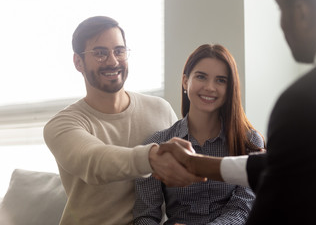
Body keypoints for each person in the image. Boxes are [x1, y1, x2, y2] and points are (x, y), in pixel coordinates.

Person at [156, 0, 316, 224]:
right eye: (201, 76)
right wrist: (197, 164)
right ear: (185, 81)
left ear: (302, 13)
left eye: (279, 9)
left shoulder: (302, 101)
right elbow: (279, 164)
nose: (281, 26)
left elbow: (273, 196)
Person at [43, 16, 204, 225]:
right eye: (100, 53)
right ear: (78, 62)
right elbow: (95, 161)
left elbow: (180, 186)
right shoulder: (61, 125)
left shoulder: (160, 109)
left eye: (119, 51)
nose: (112, 61)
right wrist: (152, 157)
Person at [133, 44, 265, 224]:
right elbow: (145, 216)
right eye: (201, 77)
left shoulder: (249, 142)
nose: (210, 87)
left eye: (221, 80)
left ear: (230, 88)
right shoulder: (158, 144)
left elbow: (242, 209)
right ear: (185, 81)